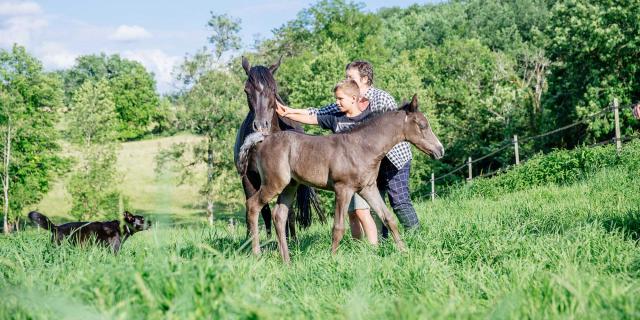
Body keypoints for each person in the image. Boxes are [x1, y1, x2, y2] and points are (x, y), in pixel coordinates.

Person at [309, 61, 420, 236]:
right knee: (377, 204)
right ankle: (382, 244)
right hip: (370, 161)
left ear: (365, 79)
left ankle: (416, 237)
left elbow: (393, 131)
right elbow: (320, 112)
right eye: (346, 77)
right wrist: (288, 111)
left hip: (394, 158)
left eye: (350, 77)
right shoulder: (349, 96)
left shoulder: (381, 98)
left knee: (399, 200)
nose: (346, 79)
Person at [276, 79, 378, 245]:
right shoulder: (335, 119)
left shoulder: (368, 119)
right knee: (352, 213)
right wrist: (287, 113)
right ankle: (358, 247)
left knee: (362, 211)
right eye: (336, 99)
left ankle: (374, 247)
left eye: (340, 99)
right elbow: (311, 117)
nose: (337, 103)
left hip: (360, 174)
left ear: (353, 98)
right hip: (343, 177)